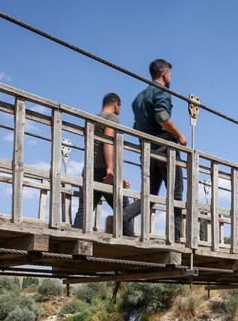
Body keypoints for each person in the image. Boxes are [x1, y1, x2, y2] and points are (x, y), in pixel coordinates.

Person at [123, 59, 189, 242]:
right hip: (165, 148)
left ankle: (122, 217)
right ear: (165, 73)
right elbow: (162, 117)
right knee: (175, 194)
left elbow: (137, 126)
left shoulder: (138, 98)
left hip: (147, 150)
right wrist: (180, 135)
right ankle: (175, 239)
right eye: (170, 74)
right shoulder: (162, 91)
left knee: (150, 194)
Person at [72, 93, 134, 236]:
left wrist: (118, 175)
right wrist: (111, 169)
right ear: (116, 104)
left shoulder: (93, 120)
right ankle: (130, 240)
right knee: (123, 207)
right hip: (104, 171)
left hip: (90, 169)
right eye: (120, 106)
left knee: (85, 208)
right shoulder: (112, 118)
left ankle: (74, 237)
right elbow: (107, 141)